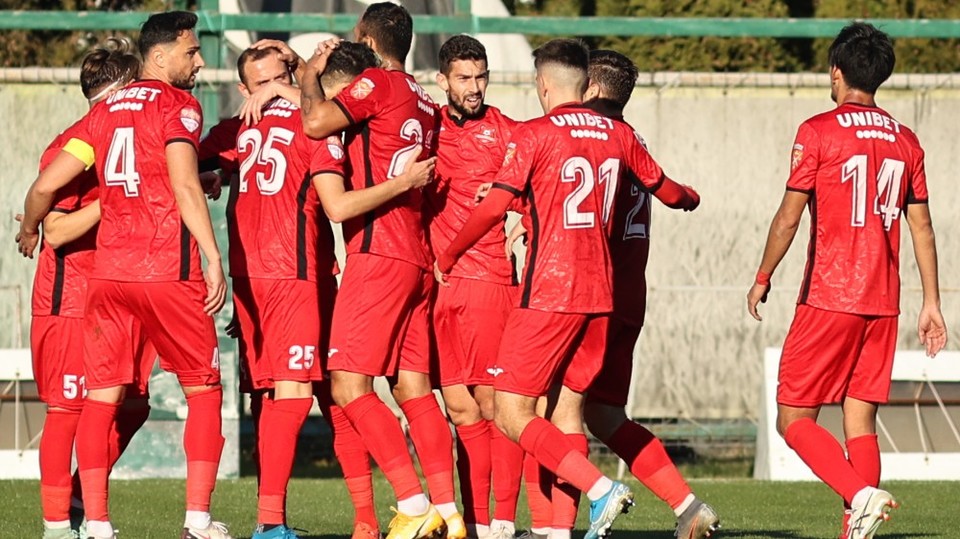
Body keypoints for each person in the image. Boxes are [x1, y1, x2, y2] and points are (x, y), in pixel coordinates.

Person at [434, 38, 699, 539]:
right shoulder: (619, 134)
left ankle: (600, 489)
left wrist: (448, 254)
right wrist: (691, 198)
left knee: (513, 413)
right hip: (603, 296)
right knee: (567, 411)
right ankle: (560, 530)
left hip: (551, 291)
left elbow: (493, 207)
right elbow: (668, 191)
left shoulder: (534, 133)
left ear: (544, 84)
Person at [18, 11, 232, 539]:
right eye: (191, 51)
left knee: (104, 398)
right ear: (158, 57)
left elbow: (46, 187)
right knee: (204, 389)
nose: (199, 61)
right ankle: (198, 521)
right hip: (162, 268)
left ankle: (96, 524)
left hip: (108, 276)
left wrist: (27, 228)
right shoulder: (178, 104)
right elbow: (181, 184)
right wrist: (212, 255)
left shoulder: (104, 112)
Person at [746, 22, 947, 539]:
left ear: (837, 73)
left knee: (793, 420)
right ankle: (854, 529)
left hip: (829, 296)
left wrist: (763, 275)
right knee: (860, 424)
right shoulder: (907, 141)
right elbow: (920, 225)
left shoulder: (817, 131)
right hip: (884, 302)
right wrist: (932, 303)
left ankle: (860, 496)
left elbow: (788, 217)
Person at [294, 5, 458, 539]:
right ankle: (450, 515)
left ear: (366, 38)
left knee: (346, 384)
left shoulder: (379, 84)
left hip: (378, 255)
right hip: (416, 258)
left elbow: (316, 122)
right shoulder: (427, 101)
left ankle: (412, 506)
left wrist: (306, 80)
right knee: (414, 388)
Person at [580, 49, 719, 539]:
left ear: (591, 88)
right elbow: (673, 192)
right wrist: (690, 196)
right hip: (630, 296)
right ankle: (688, 506)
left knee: (554, 409)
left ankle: (555, 527)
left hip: (591, 293)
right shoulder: (633, 138)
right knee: (603, 413)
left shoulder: (593, 140)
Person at [23, 37, 154, 539]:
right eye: (138, 85)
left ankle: (79, 495)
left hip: (119, 292)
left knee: (135, 403)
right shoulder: (76, 142)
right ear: (123, 88)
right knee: (67, 408)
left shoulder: (124, 137)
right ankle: (57, 525)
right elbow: (55, 229)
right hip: (71, 296)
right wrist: (116, 197)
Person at [425, 34, 524, 539]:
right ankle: (477, 521)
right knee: (459, 408)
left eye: (481, 76)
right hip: (438, 287)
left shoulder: (507, 130)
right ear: (442, 80)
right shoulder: (424, 126)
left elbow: (542, 182)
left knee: (494, 405)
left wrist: (517, 208)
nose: (475, 87)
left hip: (488, 281)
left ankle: (502, 521)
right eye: (464, 78)